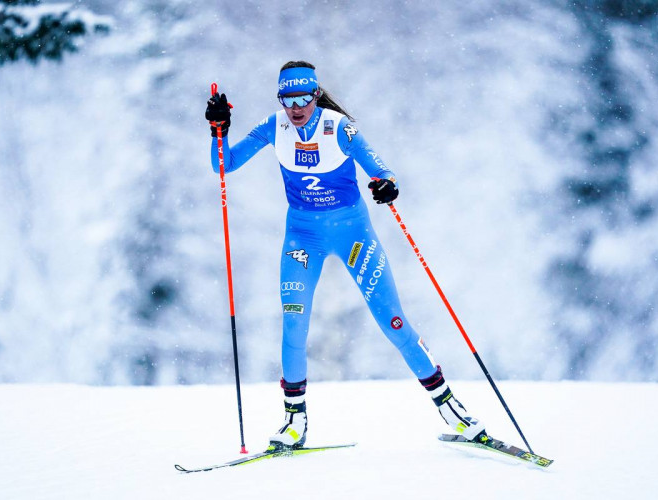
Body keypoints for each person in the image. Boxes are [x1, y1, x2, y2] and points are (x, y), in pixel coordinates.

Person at [205, 61, 488, 450]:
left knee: (393, 322)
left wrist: (387, 185)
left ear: (316, 94)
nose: (297, 106)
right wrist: (218, 130)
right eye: (288, 98)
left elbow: (381, 169)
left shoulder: (339, 128)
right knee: (293, 326)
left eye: (305, 97)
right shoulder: (274, 127)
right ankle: (294, 423)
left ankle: (452, 410)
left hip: (353, 235)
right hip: (303, 237)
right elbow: (224, 164)